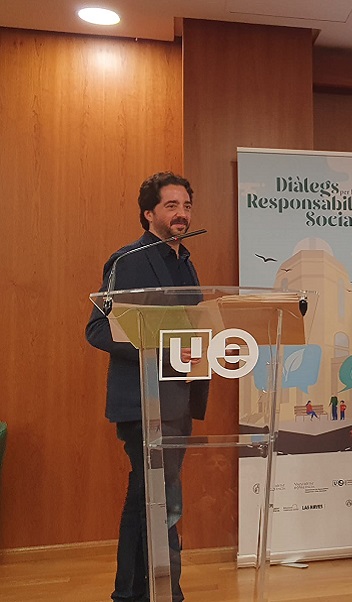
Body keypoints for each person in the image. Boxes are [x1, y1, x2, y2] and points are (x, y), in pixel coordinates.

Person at [86, 172, 208, 602]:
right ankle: (141, 593)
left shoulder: (186, 262)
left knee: (160, 502)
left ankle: (154, 591)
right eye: (171, 206)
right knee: (150, 499)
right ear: (149, 213)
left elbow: (192, 329)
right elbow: (98, 329)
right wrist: (157, 344)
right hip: (143, 402)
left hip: (178, 401)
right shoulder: (129, 260)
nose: (181, 213)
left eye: (186, 205)